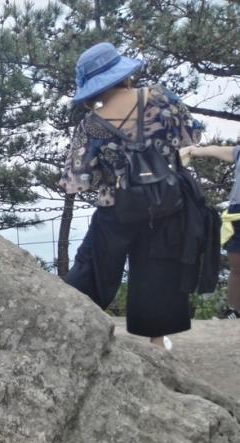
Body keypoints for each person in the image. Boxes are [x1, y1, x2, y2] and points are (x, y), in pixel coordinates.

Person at [59, 42, 207, 350]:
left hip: (118, 207)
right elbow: (191, 137)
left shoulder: (91, 125)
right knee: (158, 268)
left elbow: (78, 181)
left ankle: (68, 324)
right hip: (167, 201)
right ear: (122, 73)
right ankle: (156, 341)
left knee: (94, 265)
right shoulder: (162, 98)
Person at [179, 144, 240, 320]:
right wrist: (193, 150)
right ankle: (235, 311)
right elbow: (218, 150)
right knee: (237, 267)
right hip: (236, 213)